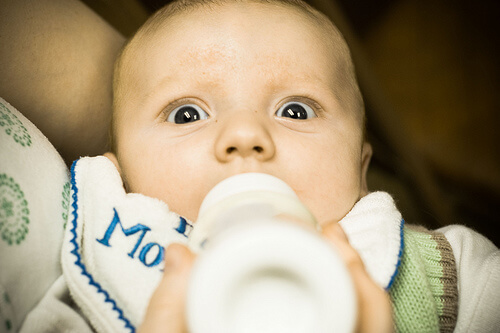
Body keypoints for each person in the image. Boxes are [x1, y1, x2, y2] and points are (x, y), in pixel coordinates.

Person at [0, 0, 498, 332]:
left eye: (295, 110)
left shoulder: (445, 274)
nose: (245, 136)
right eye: (187, 113)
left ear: (363, 171)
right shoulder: (96, 278)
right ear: (119, 176)